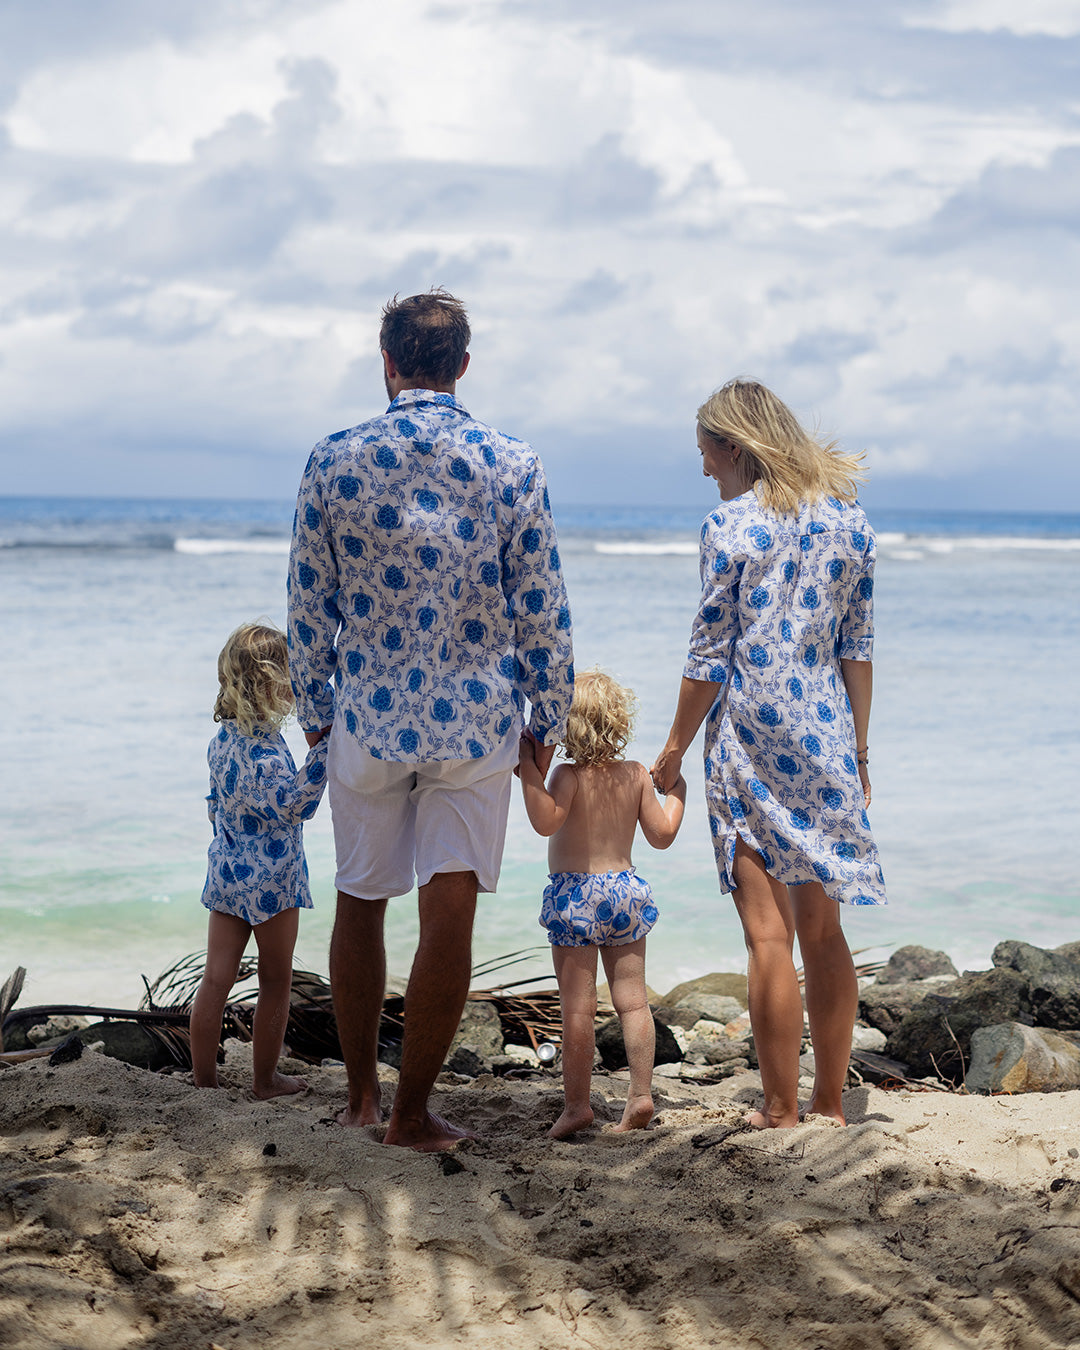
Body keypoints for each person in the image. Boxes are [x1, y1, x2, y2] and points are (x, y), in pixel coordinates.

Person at [288, 288, 574, 1151]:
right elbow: (541, 598)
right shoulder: (510, 461)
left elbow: (310, 600)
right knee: (450, 910)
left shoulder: (333, 459)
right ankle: (411, 1115)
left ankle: (360, 1100)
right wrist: (549, 711)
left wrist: (313, 708)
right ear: (462, 367)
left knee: (359, 902)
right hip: (477, 719)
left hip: (368, 720)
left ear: (387, 362)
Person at [651, 379, 886, 1130]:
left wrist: (674, 747)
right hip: (823, 731)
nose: (703, 468)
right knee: (823, 932)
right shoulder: (851, 526)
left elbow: (709, 656)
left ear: (735, 446)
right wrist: (860, 750)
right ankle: (829, 1103)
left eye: (706, 453)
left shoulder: (730, 527)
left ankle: (781, 1107)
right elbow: (859, 648)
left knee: (766, 935)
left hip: (750, 734)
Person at [519, 669, 685, 1139]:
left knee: (578, 1009)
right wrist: (678, 794)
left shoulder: (566, 775)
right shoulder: (634, 774)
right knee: (633, 1003)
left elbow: (545, 822)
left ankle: (577, 1107)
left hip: (577, 897)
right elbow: (662, 835)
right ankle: (640, 1096)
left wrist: (528, 769)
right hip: (624, 893)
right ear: (619, 721)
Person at [190, 622, 329, 1099]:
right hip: (273, 881)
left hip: (228, 874)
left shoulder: (222, 742)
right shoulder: (266, 752)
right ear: (272, 684)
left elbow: (218, 801)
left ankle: (203, 1080)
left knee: (215, 978)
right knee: (275, 980)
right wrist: (323, 757)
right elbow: (294, 805)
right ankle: (266, 1080)